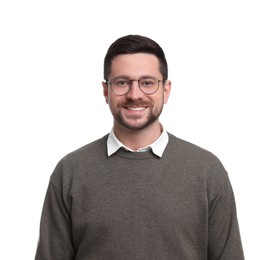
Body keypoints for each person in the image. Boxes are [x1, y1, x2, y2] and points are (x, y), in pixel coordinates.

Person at [35, 34, 245, 259]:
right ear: (106, 91)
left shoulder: (207, 171)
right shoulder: (70, 172)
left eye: (147, 83)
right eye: (122, 83)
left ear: (165, 90)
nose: (134, 95)